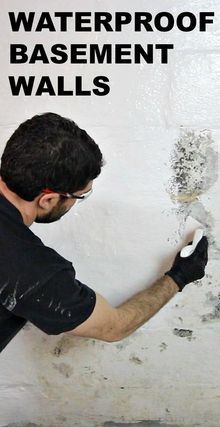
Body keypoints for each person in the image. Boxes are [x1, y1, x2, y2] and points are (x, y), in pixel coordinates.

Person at [0, 112, 208, 353]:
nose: (78, 202)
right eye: (81, 196)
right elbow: (113, 327)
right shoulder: (30, 270)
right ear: (48, 200)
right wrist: (179, 277)